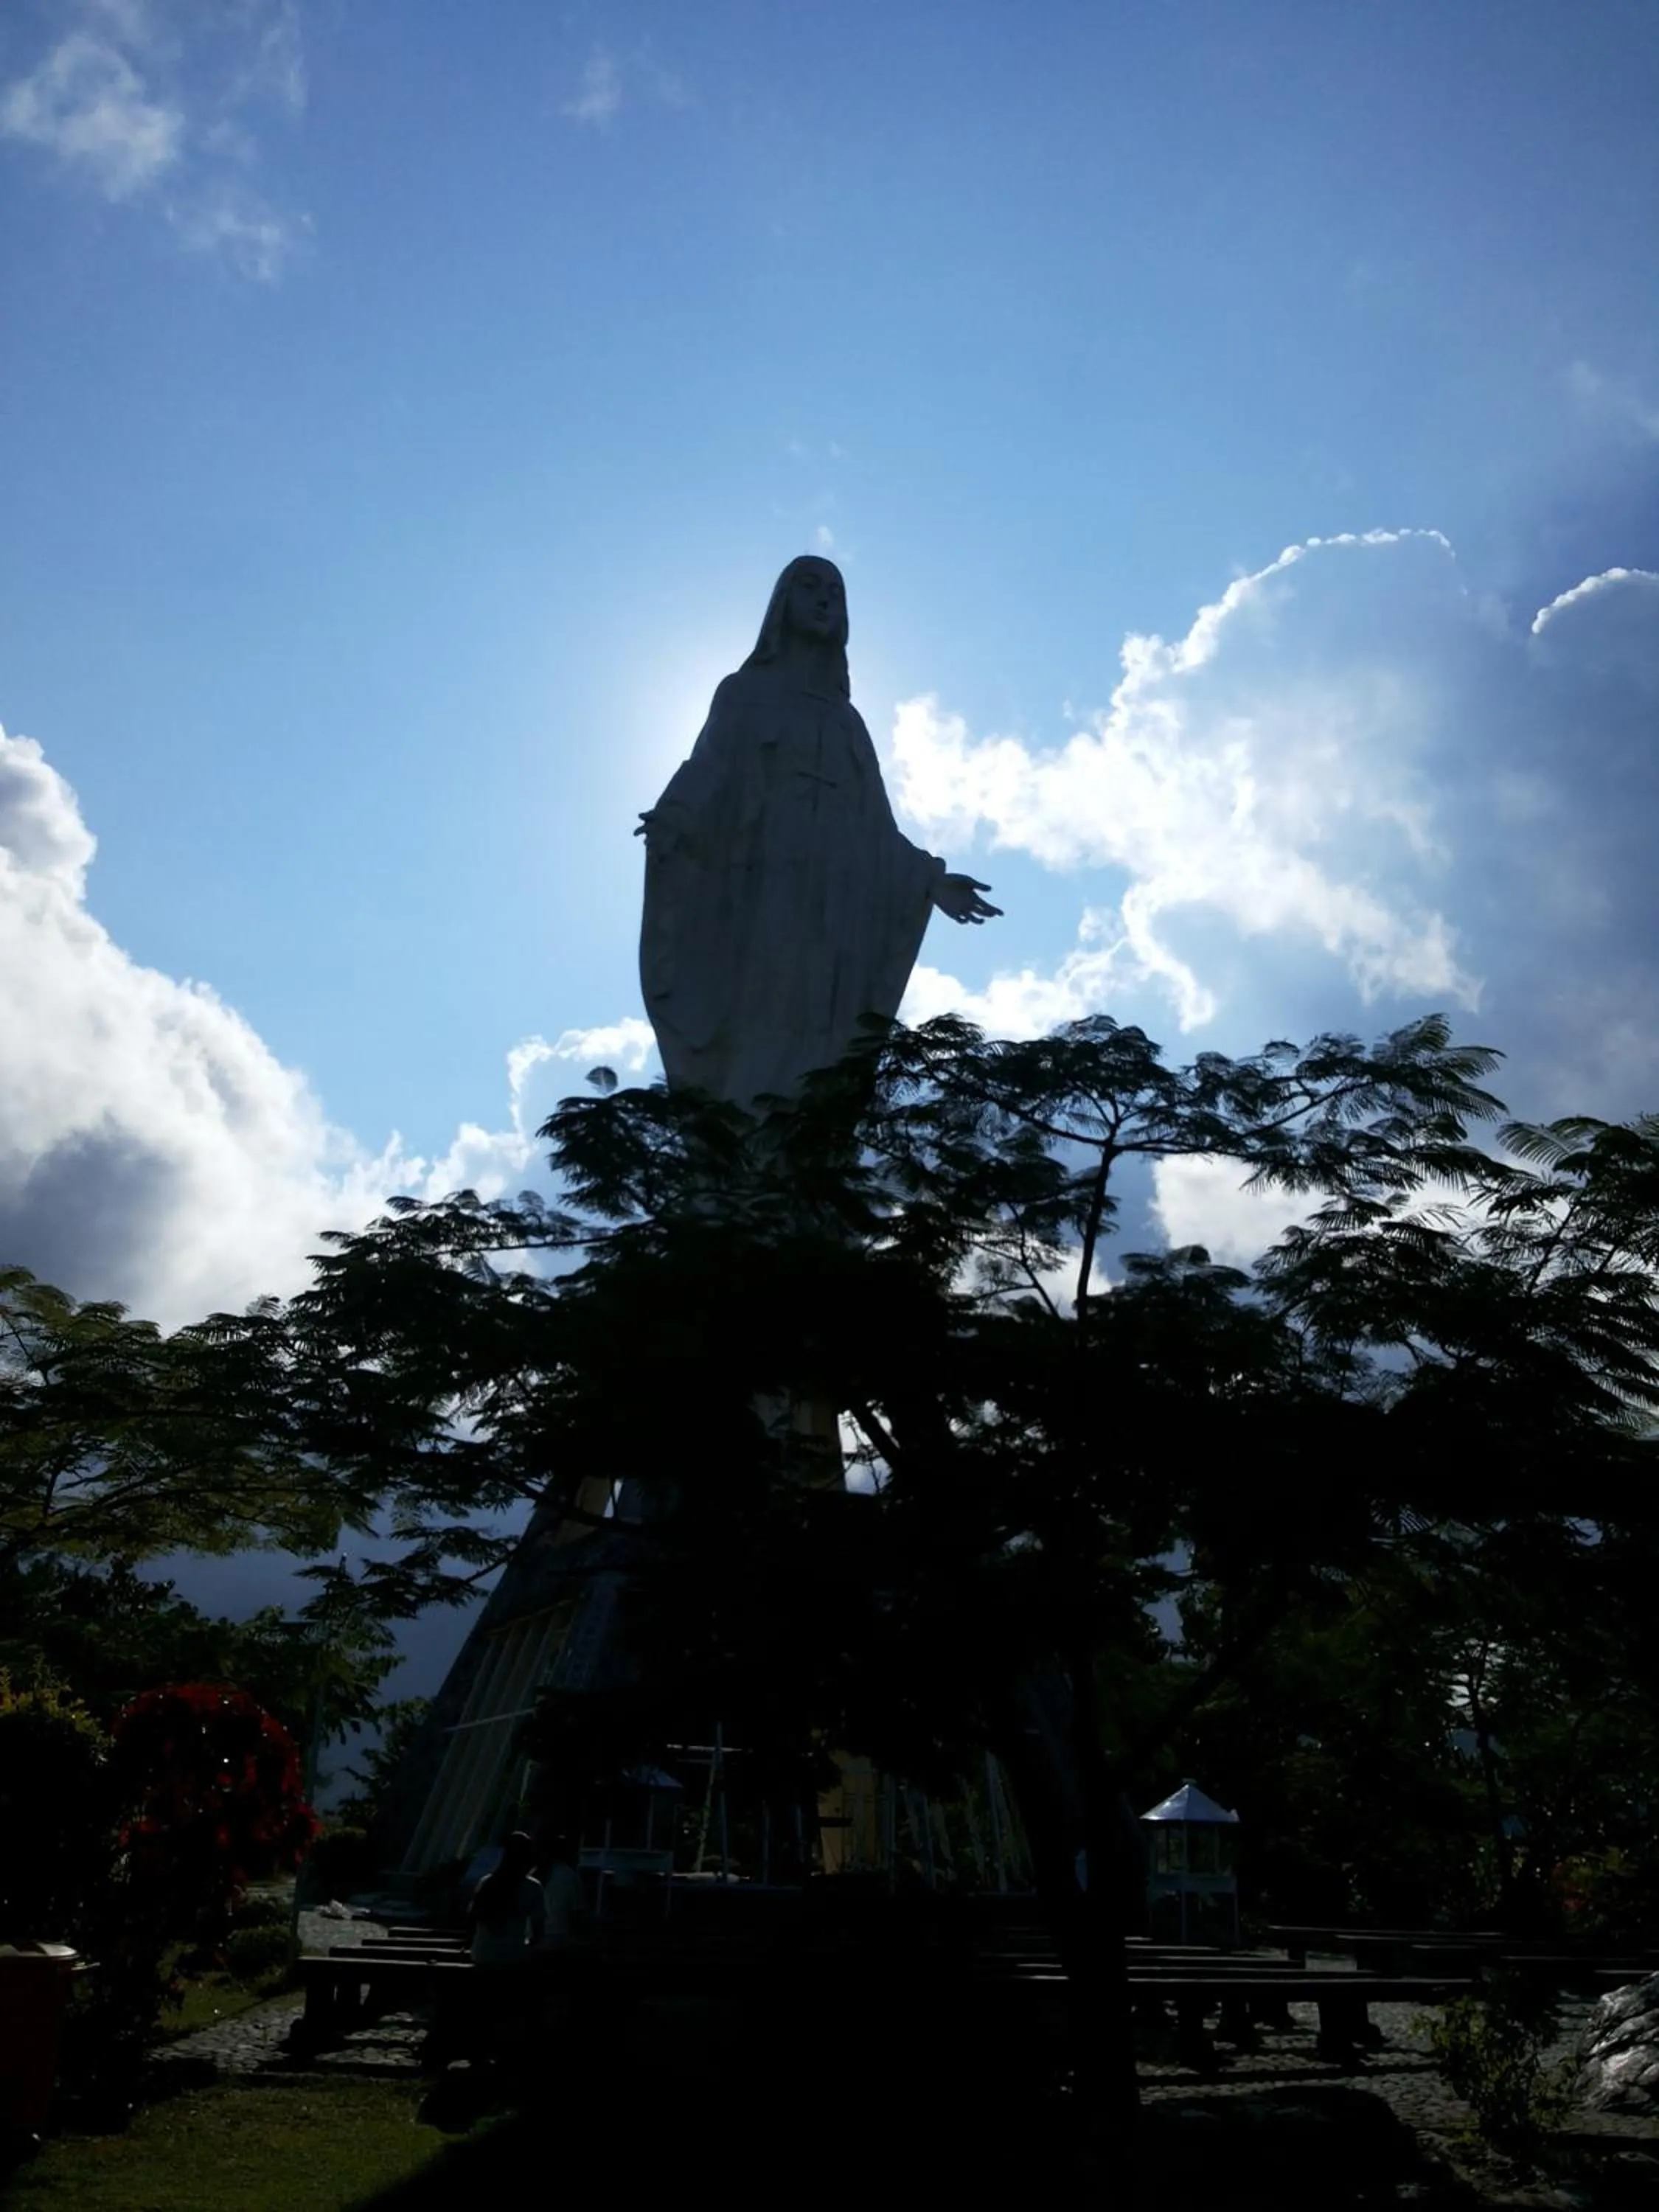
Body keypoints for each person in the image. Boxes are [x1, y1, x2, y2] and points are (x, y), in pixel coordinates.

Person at [638, 555, 1000, 1110]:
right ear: (783, 603)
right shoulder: (743, 694)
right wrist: (678, 817)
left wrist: (932, 880)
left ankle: (800, 1152)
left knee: (820, 1032)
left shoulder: (847, 721)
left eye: (836, 591)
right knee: (763, 1010)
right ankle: (747, 1138)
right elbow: (710, 768)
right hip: (767, 885)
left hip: (834, 904)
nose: (826, 598)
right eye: (810, 586)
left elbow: (877, 830)